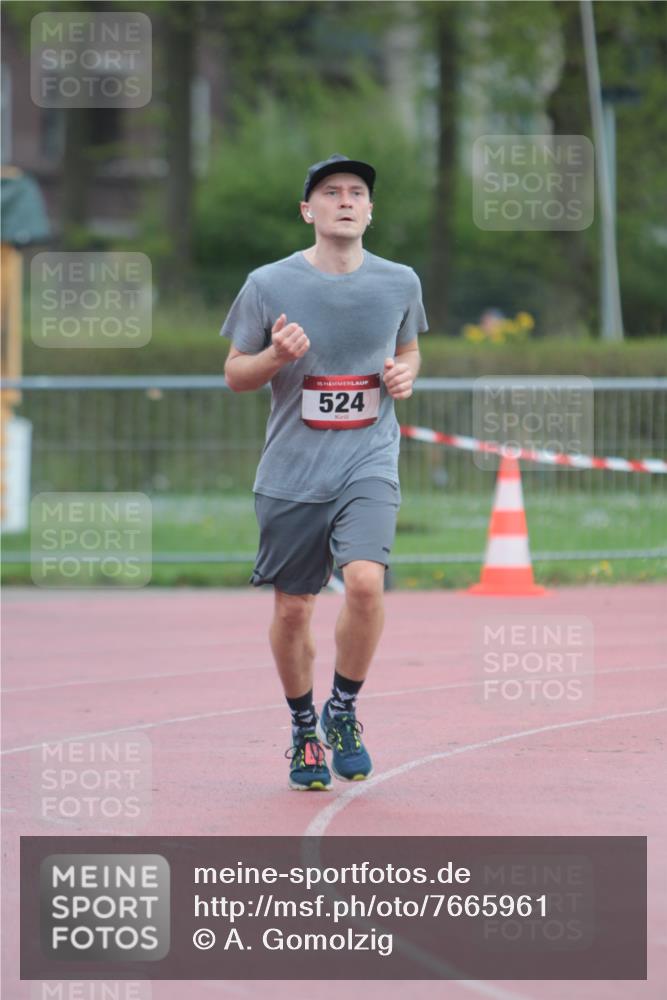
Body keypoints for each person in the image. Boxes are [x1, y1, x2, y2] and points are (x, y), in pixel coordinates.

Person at [221, 153, 428, 790]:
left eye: (357, 192)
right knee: (292, 610)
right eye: (331, 192)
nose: (345, 200)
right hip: (291, 472)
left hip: (368, 460)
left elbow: (410, 348)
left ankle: (343, 710)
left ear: (370, 211)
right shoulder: (268, 283)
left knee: (365, 584)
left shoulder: (399, 281)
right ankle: (304, 729)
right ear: (308, 210)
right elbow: (234, 374)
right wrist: (274, 357)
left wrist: (407, 374)